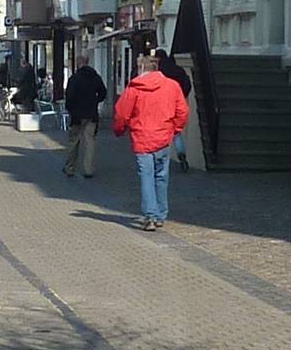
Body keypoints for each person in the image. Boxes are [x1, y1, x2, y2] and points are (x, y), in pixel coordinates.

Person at [112, 49, 190, 230]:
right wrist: (174, 129)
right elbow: (183, 111)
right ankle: (161, 214)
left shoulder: (134, 88)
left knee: (146, 177)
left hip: (142, 139)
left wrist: (119, 130)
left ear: (141, 68)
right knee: (161, 177)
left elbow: (122, 113)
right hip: (163, 137)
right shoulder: (171, 86)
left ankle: (150, 216)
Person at [60, 62, 109, 178]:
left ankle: (70, 168)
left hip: (77, 115)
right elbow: (103, 92)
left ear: (78, 65)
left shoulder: (74, 78)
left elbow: (69, 96)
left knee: (74, 141)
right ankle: (88, 169)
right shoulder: (95, 77)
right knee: (90, 142)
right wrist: (95, 101)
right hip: (91, 114)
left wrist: (70, 108)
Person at [156, 49, 196, 168]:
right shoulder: (179, 70)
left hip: (162, 104)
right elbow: (187, 84)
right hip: (176, 103)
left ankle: (161, 157)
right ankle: (181, 154)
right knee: (176, 133)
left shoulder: (159, 72)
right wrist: (182, 96)